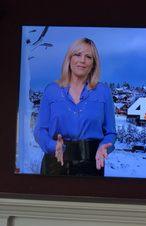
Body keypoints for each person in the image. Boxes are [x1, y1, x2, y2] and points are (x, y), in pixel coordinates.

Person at [34, 37, 117, 176]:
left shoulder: (104, 92)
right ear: (69, 58)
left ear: (93, 63)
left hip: (91, 164)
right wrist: (53, 146)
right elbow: (40, 130)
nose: (82, 60)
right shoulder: (51, 90)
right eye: (77, 54)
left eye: (88, 56)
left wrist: (104, 146)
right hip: (55, 163)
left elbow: (111, 132)